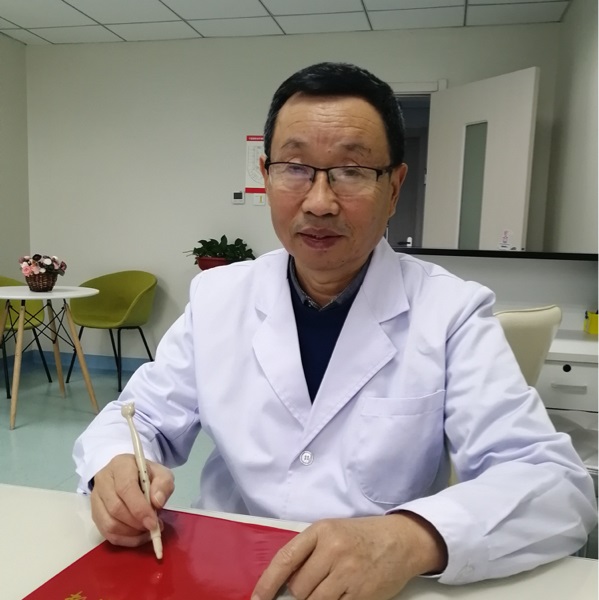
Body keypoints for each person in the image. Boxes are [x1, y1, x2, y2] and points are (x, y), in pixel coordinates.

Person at [73, 62, 597, 600]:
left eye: (351, 171)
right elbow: (138, 419)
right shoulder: (217, 298)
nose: (319, 202)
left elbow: (555, 485)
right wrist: (115, 468)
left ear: (394, 187)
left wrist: (409, 538)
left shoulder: (450, 312)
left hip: (379, 586)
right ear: (267, 175)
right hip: (228, 576)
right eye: (295, 168)